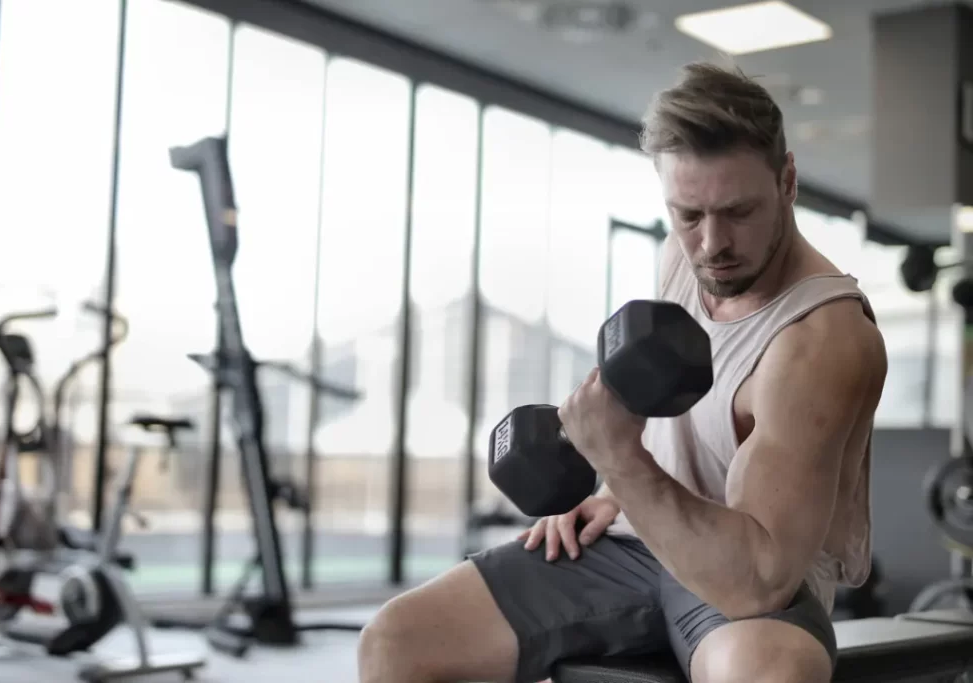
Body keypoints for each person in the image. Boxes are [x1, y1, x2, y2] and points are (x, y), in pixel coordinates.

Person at [357, 62, 887, 683]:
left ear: (788, 181)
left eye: (739, 212)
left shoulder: (823, 341)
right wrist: (607, 494)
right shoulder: (682, 260)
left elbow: (759, 580)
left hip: (743, 576)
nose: (712, 243)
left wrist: (618, 462)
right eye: (689, 215)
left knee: (772, 673)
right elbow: (672, 419)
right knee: (397, 641)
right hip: (635, 542)